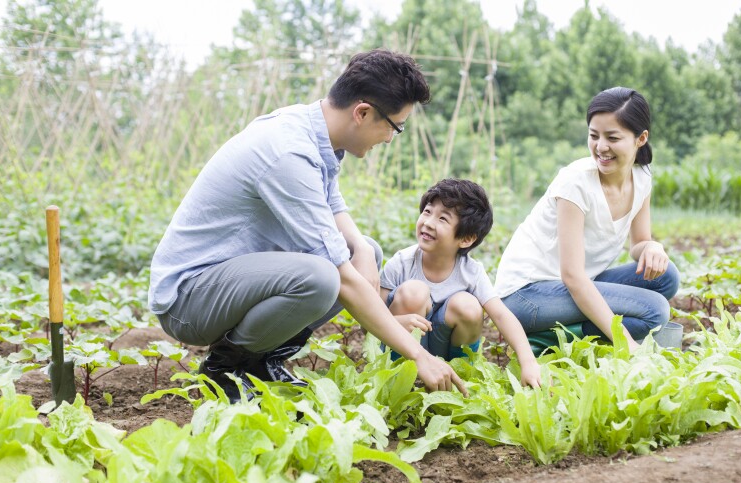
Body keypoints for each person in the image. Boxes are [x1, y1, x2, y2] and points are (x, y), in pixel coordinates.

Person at [148, 49, 467, 402]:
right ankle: (225, 369)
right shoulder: (288, 152)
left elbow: (332, 207)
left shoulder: (312, 131)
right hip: (190, 299)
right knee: (322, 276)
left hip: (226, 283)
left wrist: (361, 248)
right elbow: (342, 277)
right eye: (395, 126)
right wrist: (419, 355)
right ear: (362, 112)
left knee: (365, 250)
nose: (391, 139)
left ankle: (261, 359)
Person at [494, 87, 680, 351]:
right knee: (655, 311)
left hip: (572, 286)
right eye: (594, 136)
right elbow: (572, 276)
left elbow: (639, 243)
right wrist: (627, 345)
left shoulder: (642, 176)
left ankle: (564, 331)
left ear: (641, 138)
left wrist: (652, 247)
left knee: (666, 276)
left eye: (612, 137)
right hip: (525, 296)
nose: (601, 147)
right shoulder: (576, 182)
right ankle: (547, 337)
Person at [380, 179, 542, 388]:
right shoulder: (402, 262)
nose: (428, 222)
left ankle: (457, 378)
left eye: (443, 219)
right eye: (427, 212)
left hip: (442, 347)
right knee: (414, 292)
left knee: (468, 304)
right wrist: (399, 322)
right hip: (403, 348)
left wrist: (528, 361)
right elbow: (373, 313)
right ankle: (400, 382)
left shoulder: (471, 272)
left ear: (466, 239)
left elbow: (501, 315)